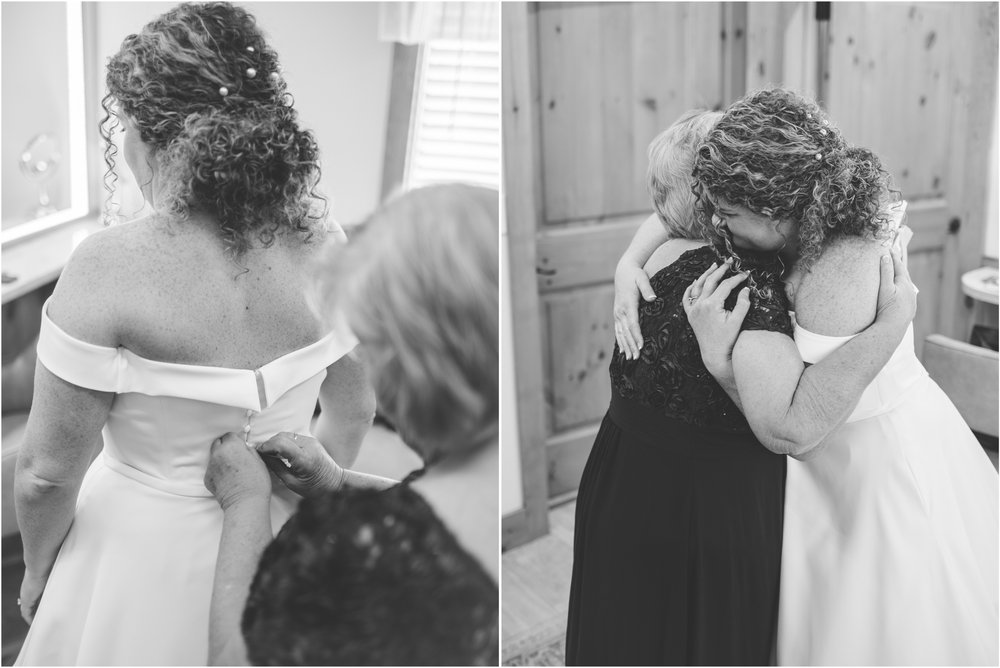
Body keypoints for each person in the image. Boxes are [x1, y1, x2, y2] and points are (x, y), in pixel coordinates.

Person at [13, 3, 374, 664]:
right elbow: (354, 407)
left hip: (130, 562)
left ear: (150, 139)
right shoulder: (324, 244)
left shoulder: (106, 266)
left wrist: (39, 570)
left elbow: (43, 474)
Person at [565, 106, 917, 665]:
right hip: (699, 509)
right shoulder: (751, 279)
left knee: (624, 632)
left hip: (619, 477)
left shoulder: (676, 258)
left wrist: (630, 260)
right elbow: (789, 428)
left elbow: (667, 217)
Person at [684, 88, 999, 665]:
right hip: (832, 468)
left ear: (775, 208)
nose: (716, 225)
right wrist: (631, 265)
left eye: (728, 213)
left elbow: (800, 431)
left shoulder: (842, 265)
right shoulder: (816, 222)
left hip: (876, 471)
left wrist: (896, 319)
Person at [203, 184, 499, 665]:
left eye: (370, 343)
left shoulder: (361, 553)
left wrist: (244, 505)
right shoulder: (490, 470)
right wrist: (338, 481)